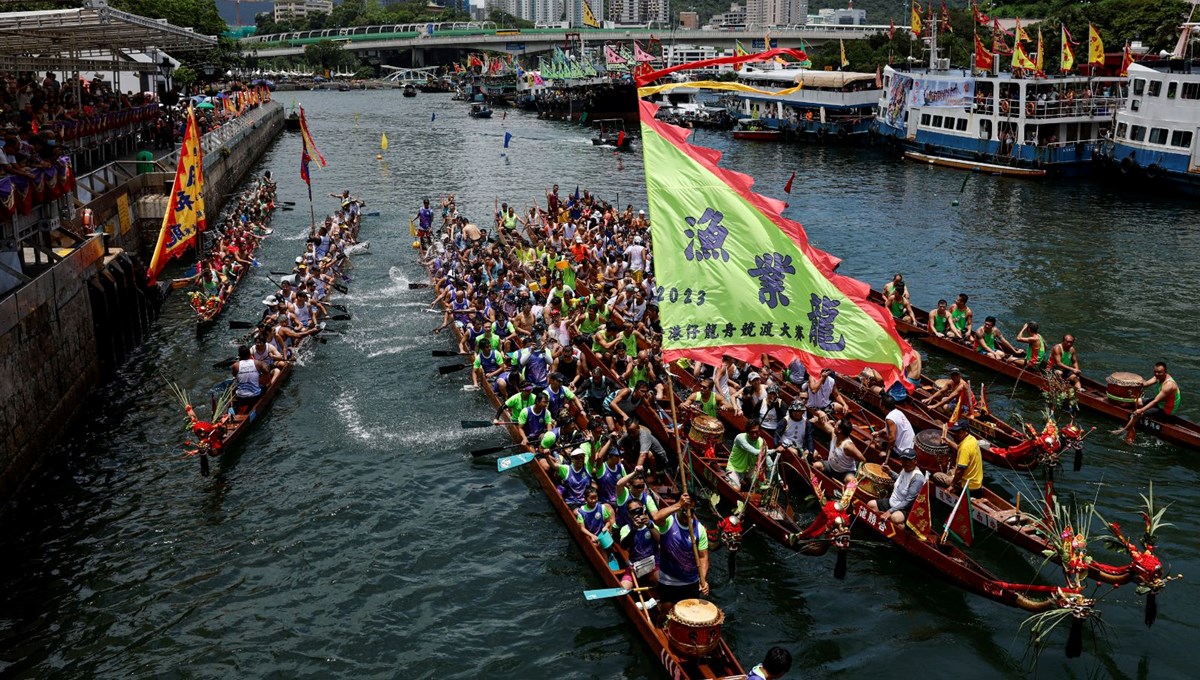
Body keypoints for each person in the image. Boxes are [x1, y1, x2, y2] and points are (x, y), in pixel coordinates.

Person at [652, 492, 710, 601]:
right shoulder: (669, 521)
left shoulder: (699, 529)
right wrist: (679, 504)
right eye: (684, 510)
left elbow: (703, 557)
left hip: (691, 580)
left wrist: (703, 579)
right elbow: (656, 518)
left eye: (690, 511)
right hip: (669, 580)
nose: (687, 514)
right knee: (666, 611)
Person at [1114, 362, 1183, 438]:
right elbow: (1145, 385)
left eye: (1159, 372)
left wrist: (1141, 410)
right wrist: (1136, 384)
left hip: (1166, 411)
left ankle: (1124, 429)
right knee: (1138, 401)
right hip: (1161, 403)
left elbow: (1155, 401)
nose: (1156, 374)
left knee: (1136, 414)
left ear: (1165, 372)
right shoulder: (1158, 377)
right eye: (1155, 372)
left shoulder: (1168, 385)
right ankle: (1127, 411)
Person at [867, 448, 926, 527]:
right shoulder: (904, 469)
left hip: (905, 509)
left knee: (895, 518)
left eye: (909, 460)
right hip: (892, 502)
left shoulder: (917, 479)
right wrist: (889, 472)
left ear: (915, 461)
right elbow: (900, 480)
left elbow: (908, 501)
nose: (907, 462)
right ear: (901, 460)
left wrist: (890, 511)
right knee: (871, 505)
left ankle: (904, 527)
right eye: (904, 460)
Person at [618, 496, 659, 591]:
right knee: (623, 589)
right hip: (636, 566)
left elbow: (661, 540)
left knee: (661, 580)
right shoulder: (626, 529)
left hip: (654, 564)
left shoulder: (653, 524)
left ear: (644, 509)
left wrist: (650, 526)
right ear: (629, 514)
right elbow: (624, 546)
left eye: (639, 510)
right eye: (633, 512)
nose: (637, 514)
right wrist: (634, 530)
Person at [811, 413, 866, 479]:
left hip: (845, 472)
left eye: (836, 425)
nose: (834, 425)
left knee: (850, 480)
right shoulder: (834, 434)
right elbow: (822, 424)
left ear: (839, 430)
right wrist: (818, 416)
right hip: (831, 466)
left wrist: (859, 474)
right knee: (816, 465)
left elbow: (863, 460)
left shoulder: (848, 446)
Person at [932, 420, 983, 492]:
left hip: (967, 485)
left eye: (959, 432)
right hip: (976, 482)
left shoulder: (965, 448)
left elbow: (960, 471)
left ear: (966, 431)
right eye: (955, 432)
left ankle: (956, 489)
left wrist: (952, 486)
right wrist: (948, 441)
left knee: (936, 476)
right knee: (951, 471)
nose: (956, 434)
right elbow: (959, 448)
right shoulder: (971, 439)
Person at [727, 419, 767, 491]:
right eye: (752, 432)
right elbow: (754, 451)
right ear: (747, 432)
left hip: (748, 470)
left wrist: (780, 481)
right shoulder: (740, 438)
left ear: (760, 431)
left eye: (757, 432)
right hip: (735, 469)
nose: (755, 435)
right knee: (736, 489)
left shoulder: (762, 442)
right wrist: (774, 450)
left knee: (761, 487)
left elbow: (769, 462)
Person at [876, 393, 915, 459]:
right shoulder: (898, 412)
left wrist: (886, 452)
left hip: (901, 452)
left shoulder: (889, 419)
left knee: (877, 443)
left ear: (883, 407)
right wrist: (879, 432)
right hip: (911, 447)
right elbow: (893, 427)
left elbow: (892, 439)